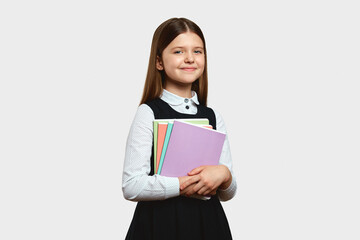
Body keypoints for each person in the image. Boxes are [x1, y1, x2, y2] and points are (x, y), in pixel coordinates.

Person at [122, 17, 237, 240]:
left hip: (208, 225)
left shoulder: (212, 116)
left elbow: (228, 193)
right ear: (159, 62)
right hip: (159, 226)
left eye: (197, 51)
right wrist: (183, 185)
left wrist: (225, 175)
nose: (189, 59)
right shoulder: (149, 112)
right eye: (178, 52)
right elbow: (131, 185)